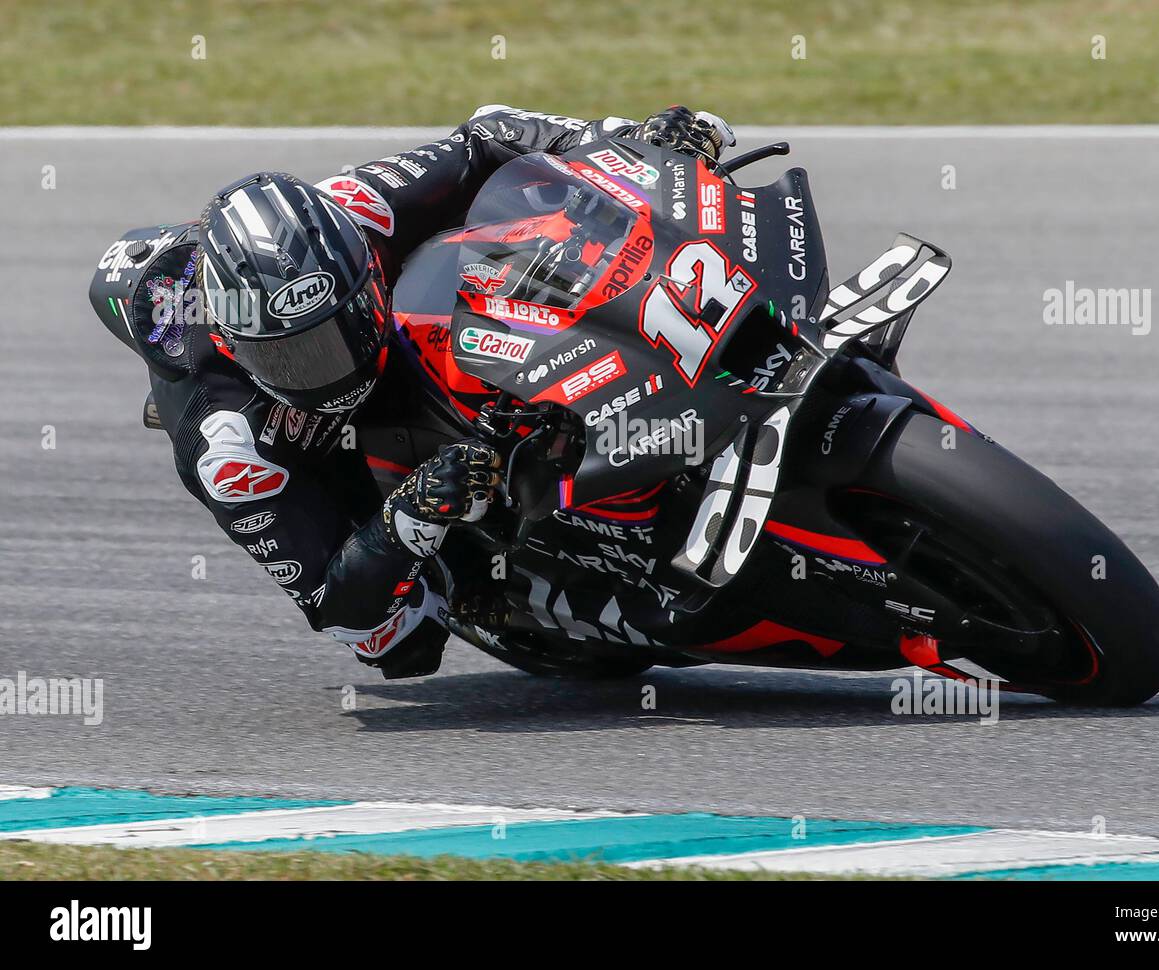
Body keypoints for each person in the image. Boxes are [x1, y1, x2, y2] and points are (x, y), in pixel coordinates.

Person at [142, 105, 735, 679]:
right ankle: (483, 562)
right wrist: (407, 516)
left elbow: (488, 136)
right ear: (232, 340)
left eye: (335, 333)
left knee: (534, 233)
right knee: (400, 644)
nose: (330, 371)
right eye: (292, 356)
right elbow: (337, 607)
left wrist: (631, 141)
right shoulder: (229, 446)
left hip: (403, 324)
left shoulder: (359, 208)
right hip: (319, 460)